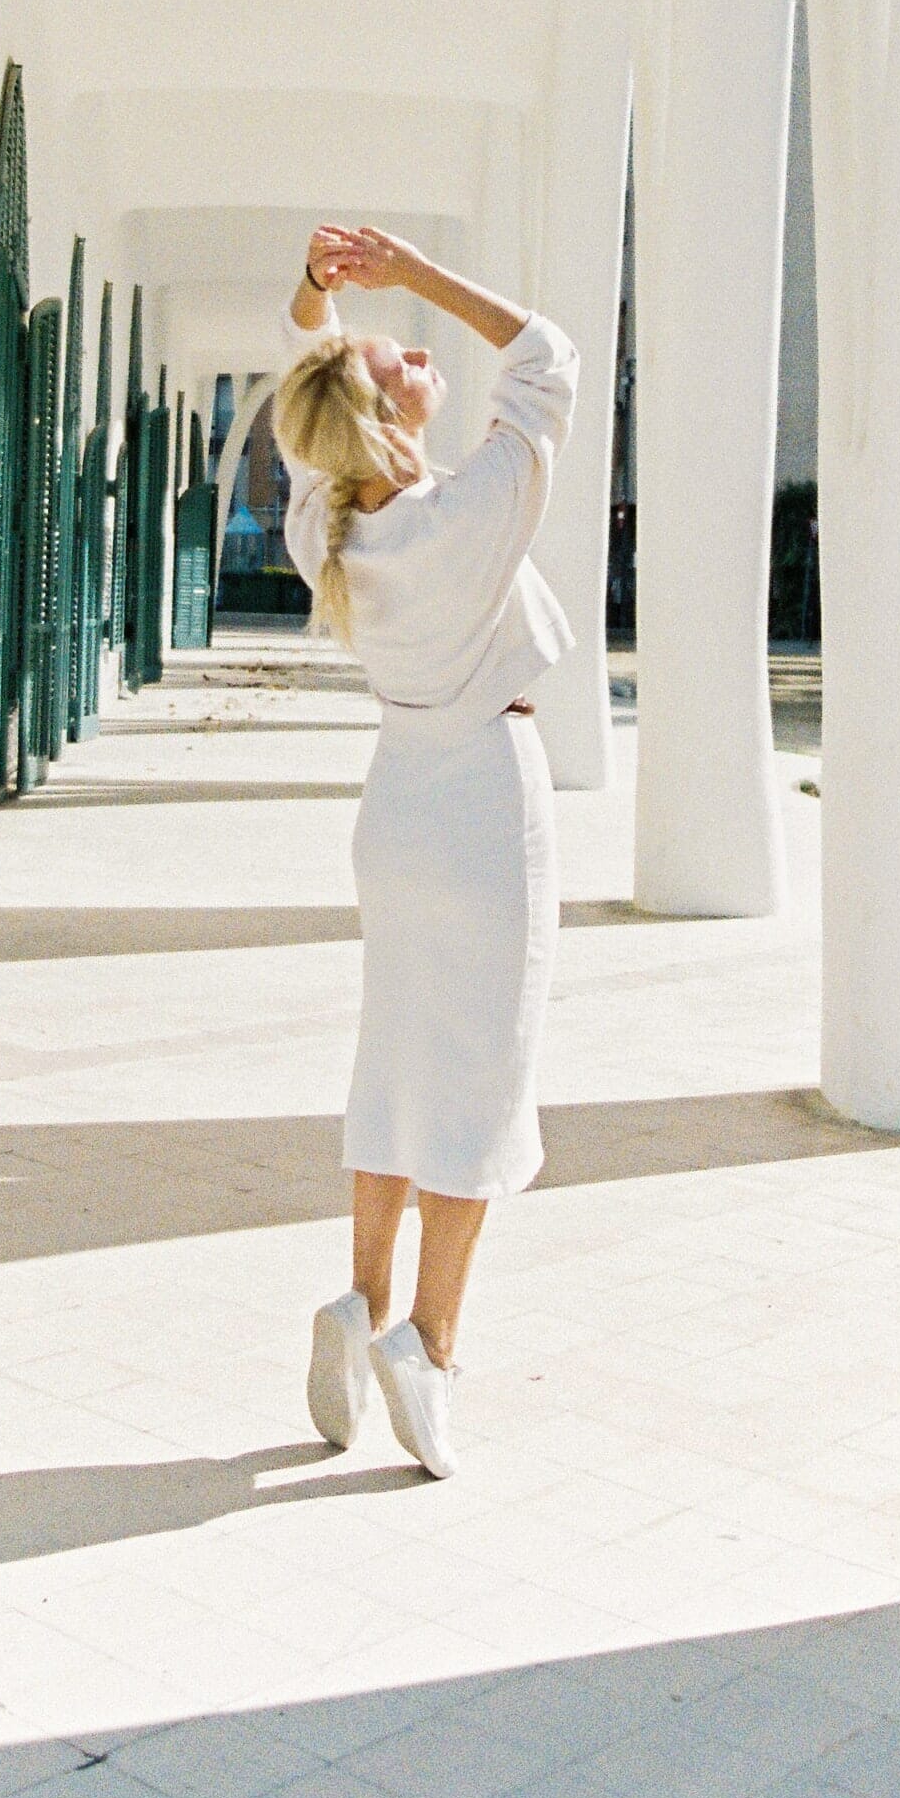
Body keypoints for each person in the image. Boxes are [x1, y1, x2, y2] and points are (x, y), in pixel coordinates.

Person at [271, 223, 578, 1478]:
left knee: (392, 1055)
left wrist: (322, 291)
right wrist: (407, 271)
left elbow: (306, 366)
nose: (413, 351)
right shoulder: (467, 516)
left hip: (393, 799)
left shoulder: (326, 526)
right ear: (386, 414)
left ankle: (359, 1299)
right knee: (479, 1076)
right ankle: (429, 1344)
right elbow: (546, 354)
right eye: (400, 355)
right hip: (484, 798)